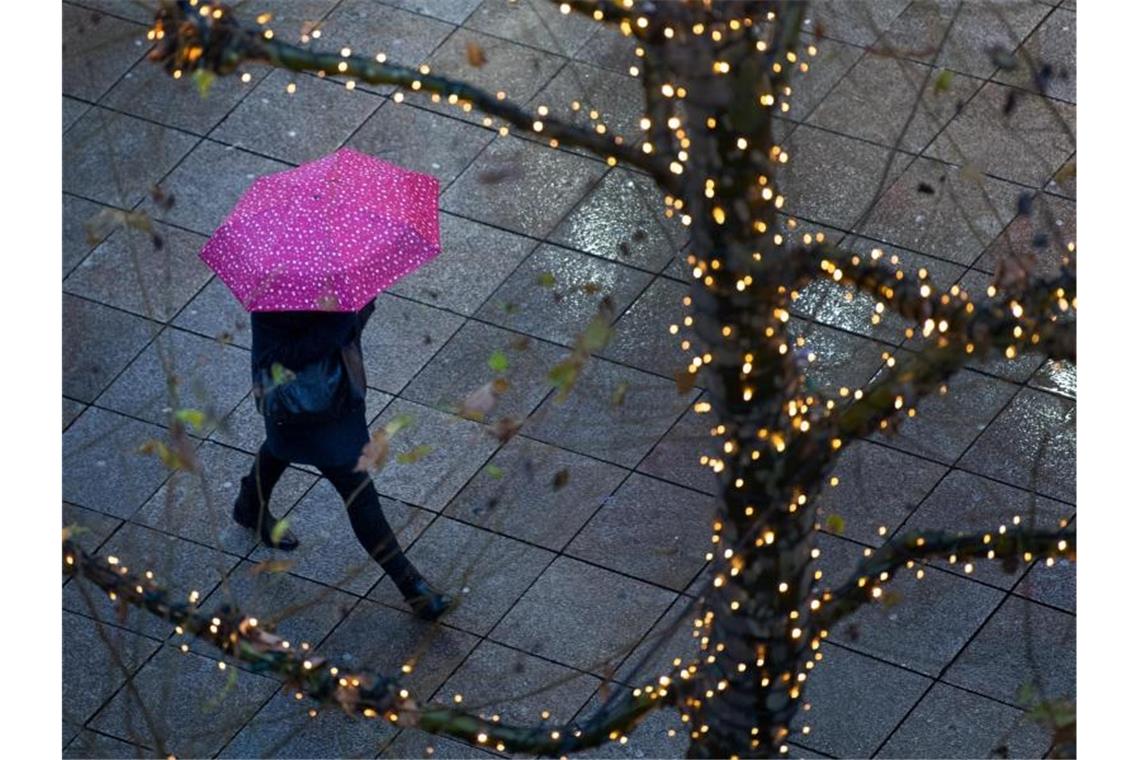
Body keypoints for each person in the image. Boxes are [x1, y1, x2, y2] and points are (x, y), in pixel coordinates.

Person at [231, 298, 453, 622]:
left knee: (280, 449)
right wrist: (338, 324)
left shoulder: (331, 282)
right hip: (300, 406)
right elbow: (279, 357)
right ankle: (411, 586)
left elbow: (347, 335)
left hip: (334, 401)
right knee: (358, 491)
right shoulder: (276, 295)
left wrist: (357, 311)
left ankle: (249, 506)